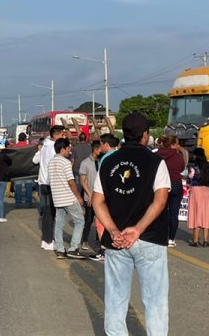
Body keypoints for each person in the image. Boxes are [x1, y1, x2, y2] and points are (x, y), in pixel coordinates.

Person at [92, 113, 171, 336]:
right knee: (155, 300)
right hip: (149, 239)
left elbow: (97, 201)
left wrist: (113, 230)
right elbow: (161, 199)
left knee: (116, 299)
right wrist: (137, 230)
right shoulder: (156, 162)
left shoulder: (108, 162)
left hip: (116, 241)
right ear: (145, 135)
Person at [48, 138, 86, 259]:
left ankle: (60, 250)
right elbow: (71, 182)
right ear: (63, 149)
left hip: (57, 198)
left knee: (59, 224)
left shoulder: (51, 162)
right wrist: (79, 197)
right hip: (69, 198)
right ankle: (73, 248)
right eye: (68, 149)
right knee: (80, 221)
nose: (69, 151)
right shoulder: (65, 163)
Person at [33, 125, 65, 250]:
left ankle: (46, 240)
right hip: (52, 184)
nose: (64, 137)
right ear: (56, 135)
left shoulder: (44, 146)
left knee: (47, 212)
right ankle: (49, 240)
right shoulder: (53, 149)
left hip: (43, 182)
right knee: (52, 213)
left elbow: (35, 160)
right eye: (62, 134)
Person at [155, 135, 186, 247]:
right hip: (176, 183)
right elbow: (182, 168)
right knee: (174, 212)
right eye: (177, 143)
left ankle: (160, 236)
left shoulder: (157, 154)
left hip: (161, 184)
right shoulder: (178, 156)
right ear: (173, 144)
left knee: (160, 211)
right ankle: (171, 239)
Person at [77, 140, 105, 260]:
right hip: (90, 197)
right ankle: (84, 240)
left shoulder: (102, 162)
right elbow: (83, 181)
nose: (102, 151)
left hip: (100, 198)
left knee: (101, 221)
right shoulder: (85, 163)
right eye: (100, 149)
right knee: (88, 220)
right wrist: (90, 195)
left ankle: (100, 243)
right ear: (95, 150)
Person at [185, 148, 209, 247]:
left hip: (196, 191)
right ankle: (206, 240)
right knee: (206, 215)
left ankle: (195, 240)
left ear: (196, 156)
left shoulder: (193, 168)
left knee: (196, 214)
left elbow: (189, 181)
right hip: (206, 191)